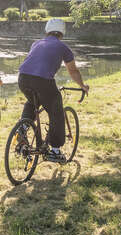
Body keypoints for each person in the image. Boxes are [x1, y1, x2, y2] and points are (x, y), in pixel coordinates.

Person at [18, 18, 89, 163]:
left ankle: (22, 130)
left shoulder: (36, 43)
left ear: (47, 30)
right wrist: (82, 85)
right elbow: (73, 71)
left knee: (32, 101)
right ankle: (55, 151)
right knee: (56, 110)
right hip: (43, 80)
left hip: (22, 78)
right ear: (62, 32)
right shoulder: (63, 48)